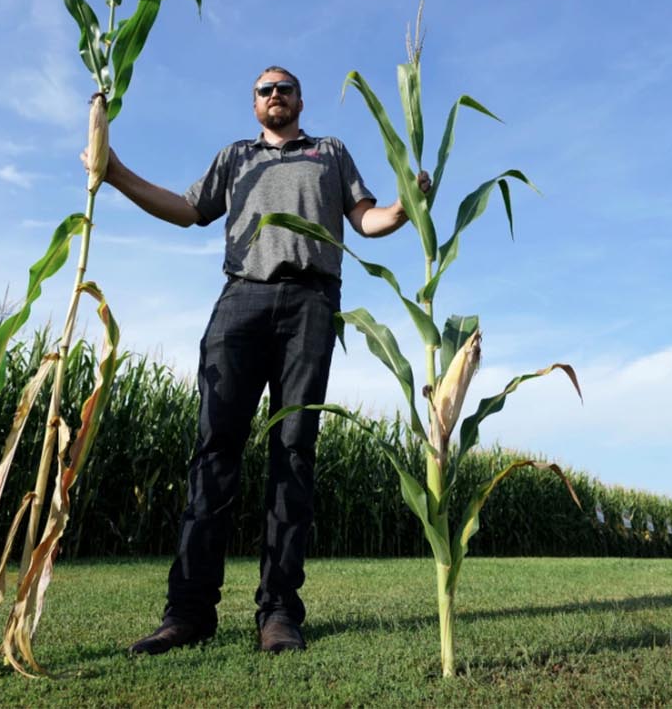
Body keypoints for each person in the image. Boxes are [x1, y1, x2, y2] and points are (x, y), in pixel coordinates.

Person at [83, 66, 428, 655]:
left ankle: (279, 614)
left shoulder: (330, 152)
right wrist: (114, 174)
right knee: (214, 452)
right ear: (254, 104)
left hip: (312, 303)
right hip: (241, 299)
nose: (275, 96)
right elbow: (187, 209)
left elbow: (367, 221)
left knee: (293, 452)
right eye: (264, 90)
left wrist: (406, 206)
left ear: (299, 99)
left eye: (284, 89)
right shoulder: (236, 157)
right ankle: (188, 613)